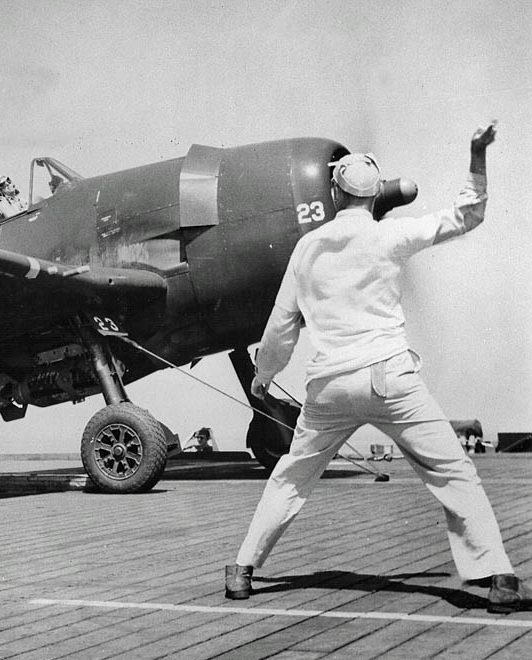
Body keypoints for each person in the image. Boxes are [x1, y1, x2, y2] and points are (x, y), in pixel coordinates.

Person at [224, 121, 530, 614]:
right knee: (453, 472)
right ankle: (499, 578)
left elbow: (281, 329)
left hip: (327, 386)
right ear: (373, 197)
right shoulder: (390, 237)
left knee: (291, 478)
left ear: (333, 192)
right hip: (389, 376)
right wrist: (477, 154)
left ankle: (242, 570)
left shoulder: (306, 249)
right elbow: (467, 215)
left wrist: (262, 379)